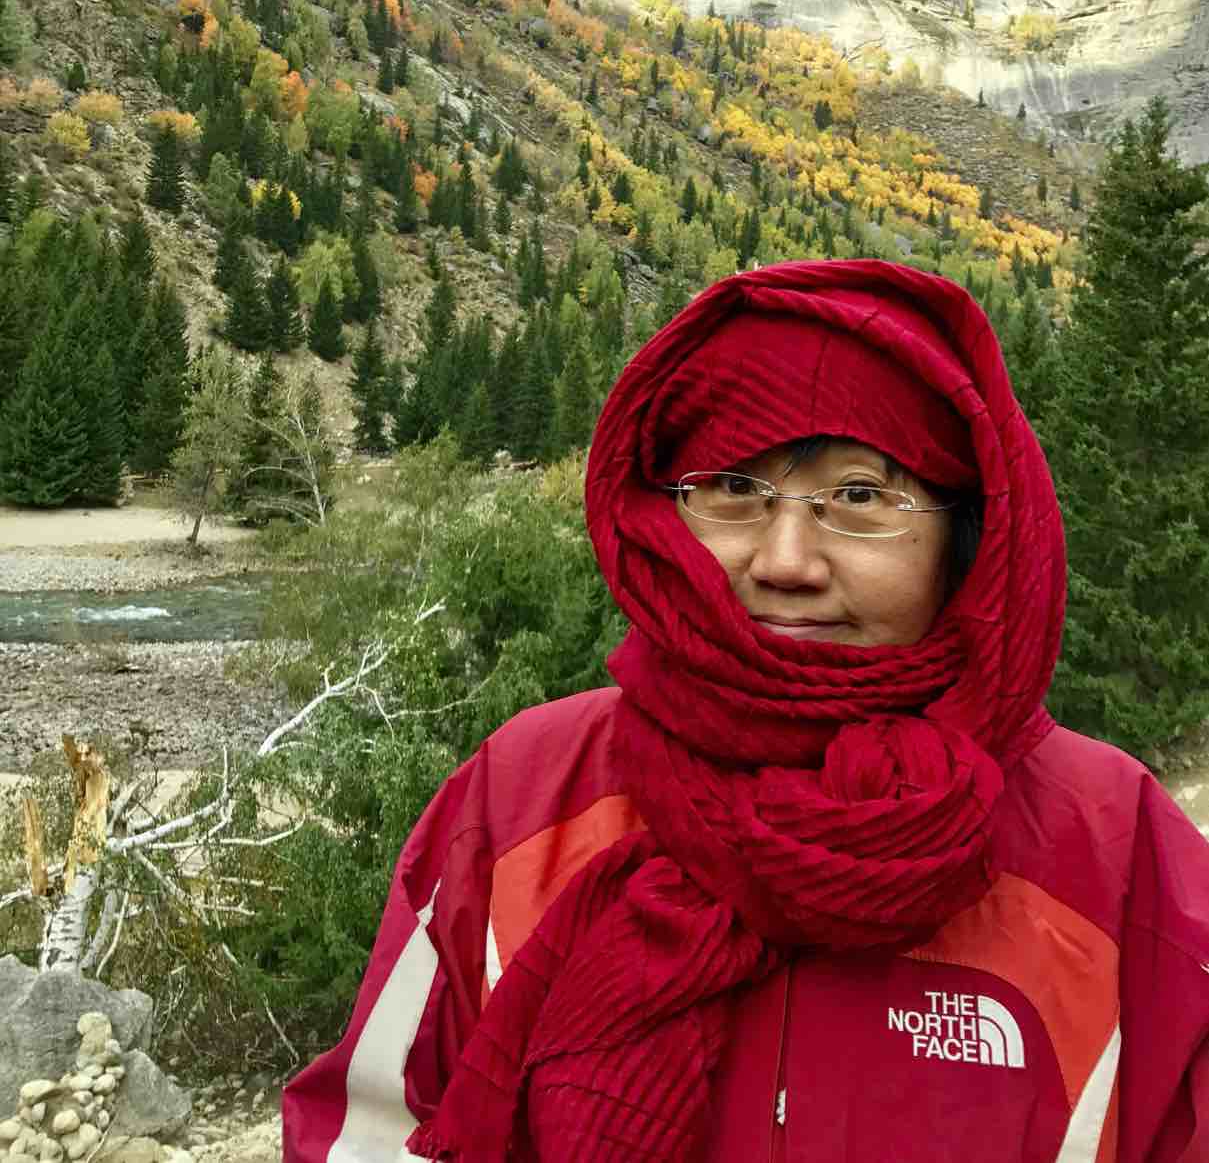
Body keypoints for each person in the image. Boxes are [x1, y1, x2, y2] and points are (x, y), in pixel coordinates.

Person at [283, 258, 1209, 1163]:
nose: (784, 562)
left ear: (968, 533)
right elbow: (370, 1135)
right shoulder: (525, 791)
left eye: (858, 496)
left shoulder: (1109, 844)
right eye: (733, 488)